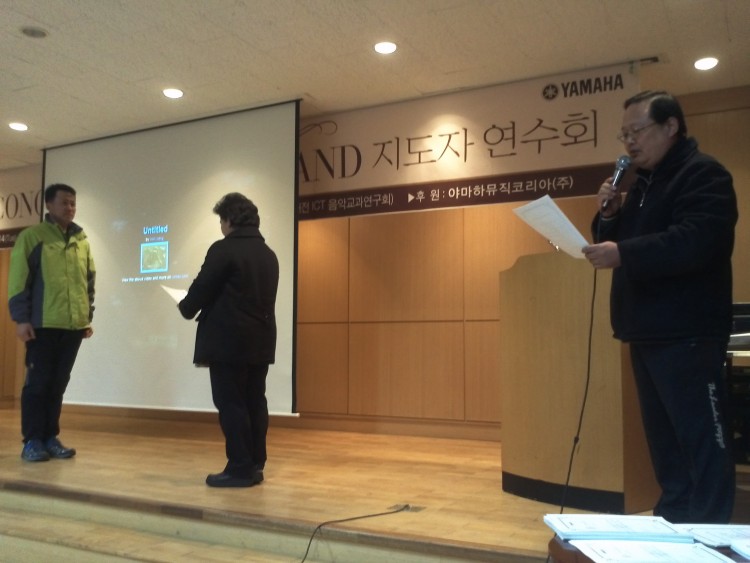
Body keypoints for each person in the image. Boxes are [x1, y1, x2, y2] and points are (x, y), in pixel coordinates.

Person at [583, 91, 738, 524]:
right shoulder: (642, 184)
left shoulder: (703, 174)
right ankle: (672, 522)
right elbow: (620, 244)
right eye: (624, 134)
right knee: (665, 444)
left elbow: (697, 240)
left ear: (671, 127)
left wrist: (624, 252)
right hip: (647, 330)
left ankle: (709, 533)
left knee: (702, 442)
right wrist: (610, 216)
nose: (629, 142)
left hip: (688, 332)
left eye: (637, 131)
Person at [178, 193, 279, 488]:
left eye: (221, 220)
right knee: (254, 401)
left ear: (230, 219)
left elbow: (200, 291)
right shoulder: (268, 254)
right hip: (260, 341)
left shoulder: (223, 250)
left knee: (231, 403)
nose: (221, 227)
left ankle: (239, 468)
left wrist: (185, 306)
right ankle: (255, 463)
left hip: (228, 342)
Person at [8, 183, 96, 462]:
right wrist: (21, 319)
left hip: (73, 327)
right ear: (48, 205)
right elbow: (19, 281)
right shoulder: (33, 237)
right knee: (38, 384)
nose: (70, 208)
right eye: (64, 202)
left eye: (73, 203)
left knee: (58, 384)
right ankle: (32, 440)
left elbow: (88, 282)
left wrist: (86, 316)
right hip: (42, 325)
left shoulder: (82, 240)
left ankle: (50, 437)